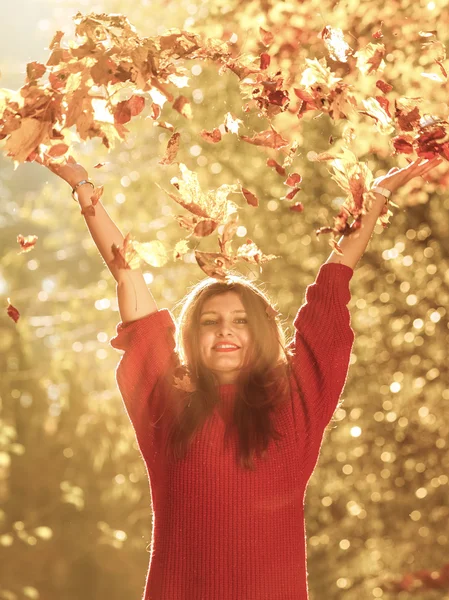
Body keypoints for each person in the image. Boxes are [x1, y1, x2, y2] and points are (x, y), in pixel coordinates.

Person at [43, 154, 442, 600]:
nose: (226, 331)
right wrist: (82, 186)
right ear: (191, 336)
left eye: (241, 321)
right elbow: (126, 273)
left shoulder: (296, 401)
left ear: (262, 332)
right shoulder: (165, 401)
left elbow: (331, 288)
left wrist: (377, 197)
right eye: (210, 321)